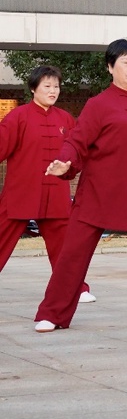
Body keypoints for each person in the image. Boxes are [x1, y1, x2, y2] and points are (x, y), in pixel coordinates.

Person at [35, 41, 127, 332]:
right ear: (110, 67)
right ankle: (52, 313)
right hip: (99, 194)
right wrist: (65, 163)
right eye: (126, 63)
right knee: (72, 256)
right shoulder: (99, 105)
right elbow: (77, 140)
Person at [0, 66, 92, 303]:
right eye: (47, 86)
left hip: (56, 195)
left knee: (65, 247)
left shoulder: (65, 119)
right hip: (21, 193)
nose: (53, 91)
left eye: (56, 86)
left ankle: (76, 289)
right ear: (33, 89)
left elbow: (79, 152)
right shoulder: (17, 117)